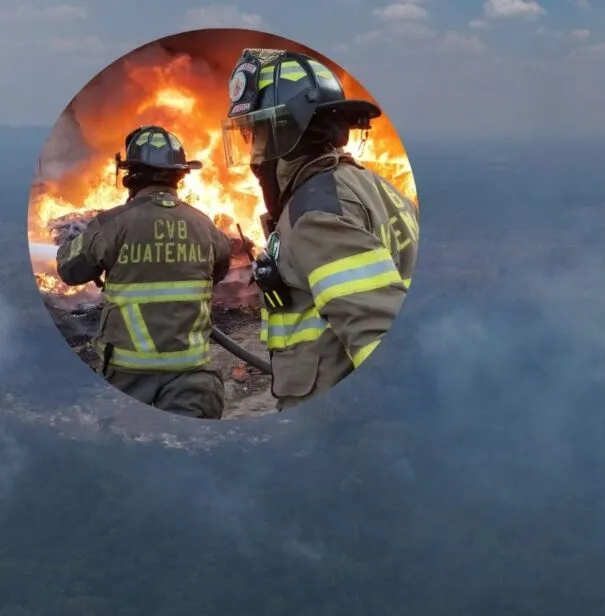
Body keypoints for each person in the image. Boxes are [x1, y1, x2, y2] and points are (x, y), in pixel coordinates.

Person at [220, 47, 419, 411]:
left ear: (284, 132)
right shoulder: (376, 188)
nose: (253, 152)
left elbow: (379, 341)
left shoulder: (315, 215)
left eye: (256, 133)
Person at [56, 125, 234, 420]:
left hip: (129, 381)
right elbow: (219, 271)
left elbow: (70, 270)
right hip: (193, 379)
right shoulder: (206, 225)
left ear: (131, 175)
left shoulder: (112, 224)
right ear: (180, 175)